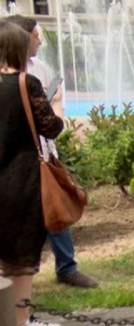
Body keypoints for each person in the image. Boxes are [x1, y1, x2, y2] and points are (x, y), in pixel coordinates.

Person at [5, 16, 97, 289]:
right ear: (20, 39)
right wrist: (52, 105)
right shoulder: (22, 79)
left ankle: (66, 268)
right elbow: (51, 124)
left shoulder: (40, 69)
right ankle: (17, 293)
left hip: (42, 154)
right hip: (21, 162)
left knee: (56, 205)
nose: (40, 41)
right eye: (35, 36)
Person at [0, 21, 65, 326]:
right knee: (21, 255)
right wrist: (56, 103)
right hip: (20, 180)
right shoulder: (26, 83)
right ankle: (21, 322)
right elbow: (51, 127)